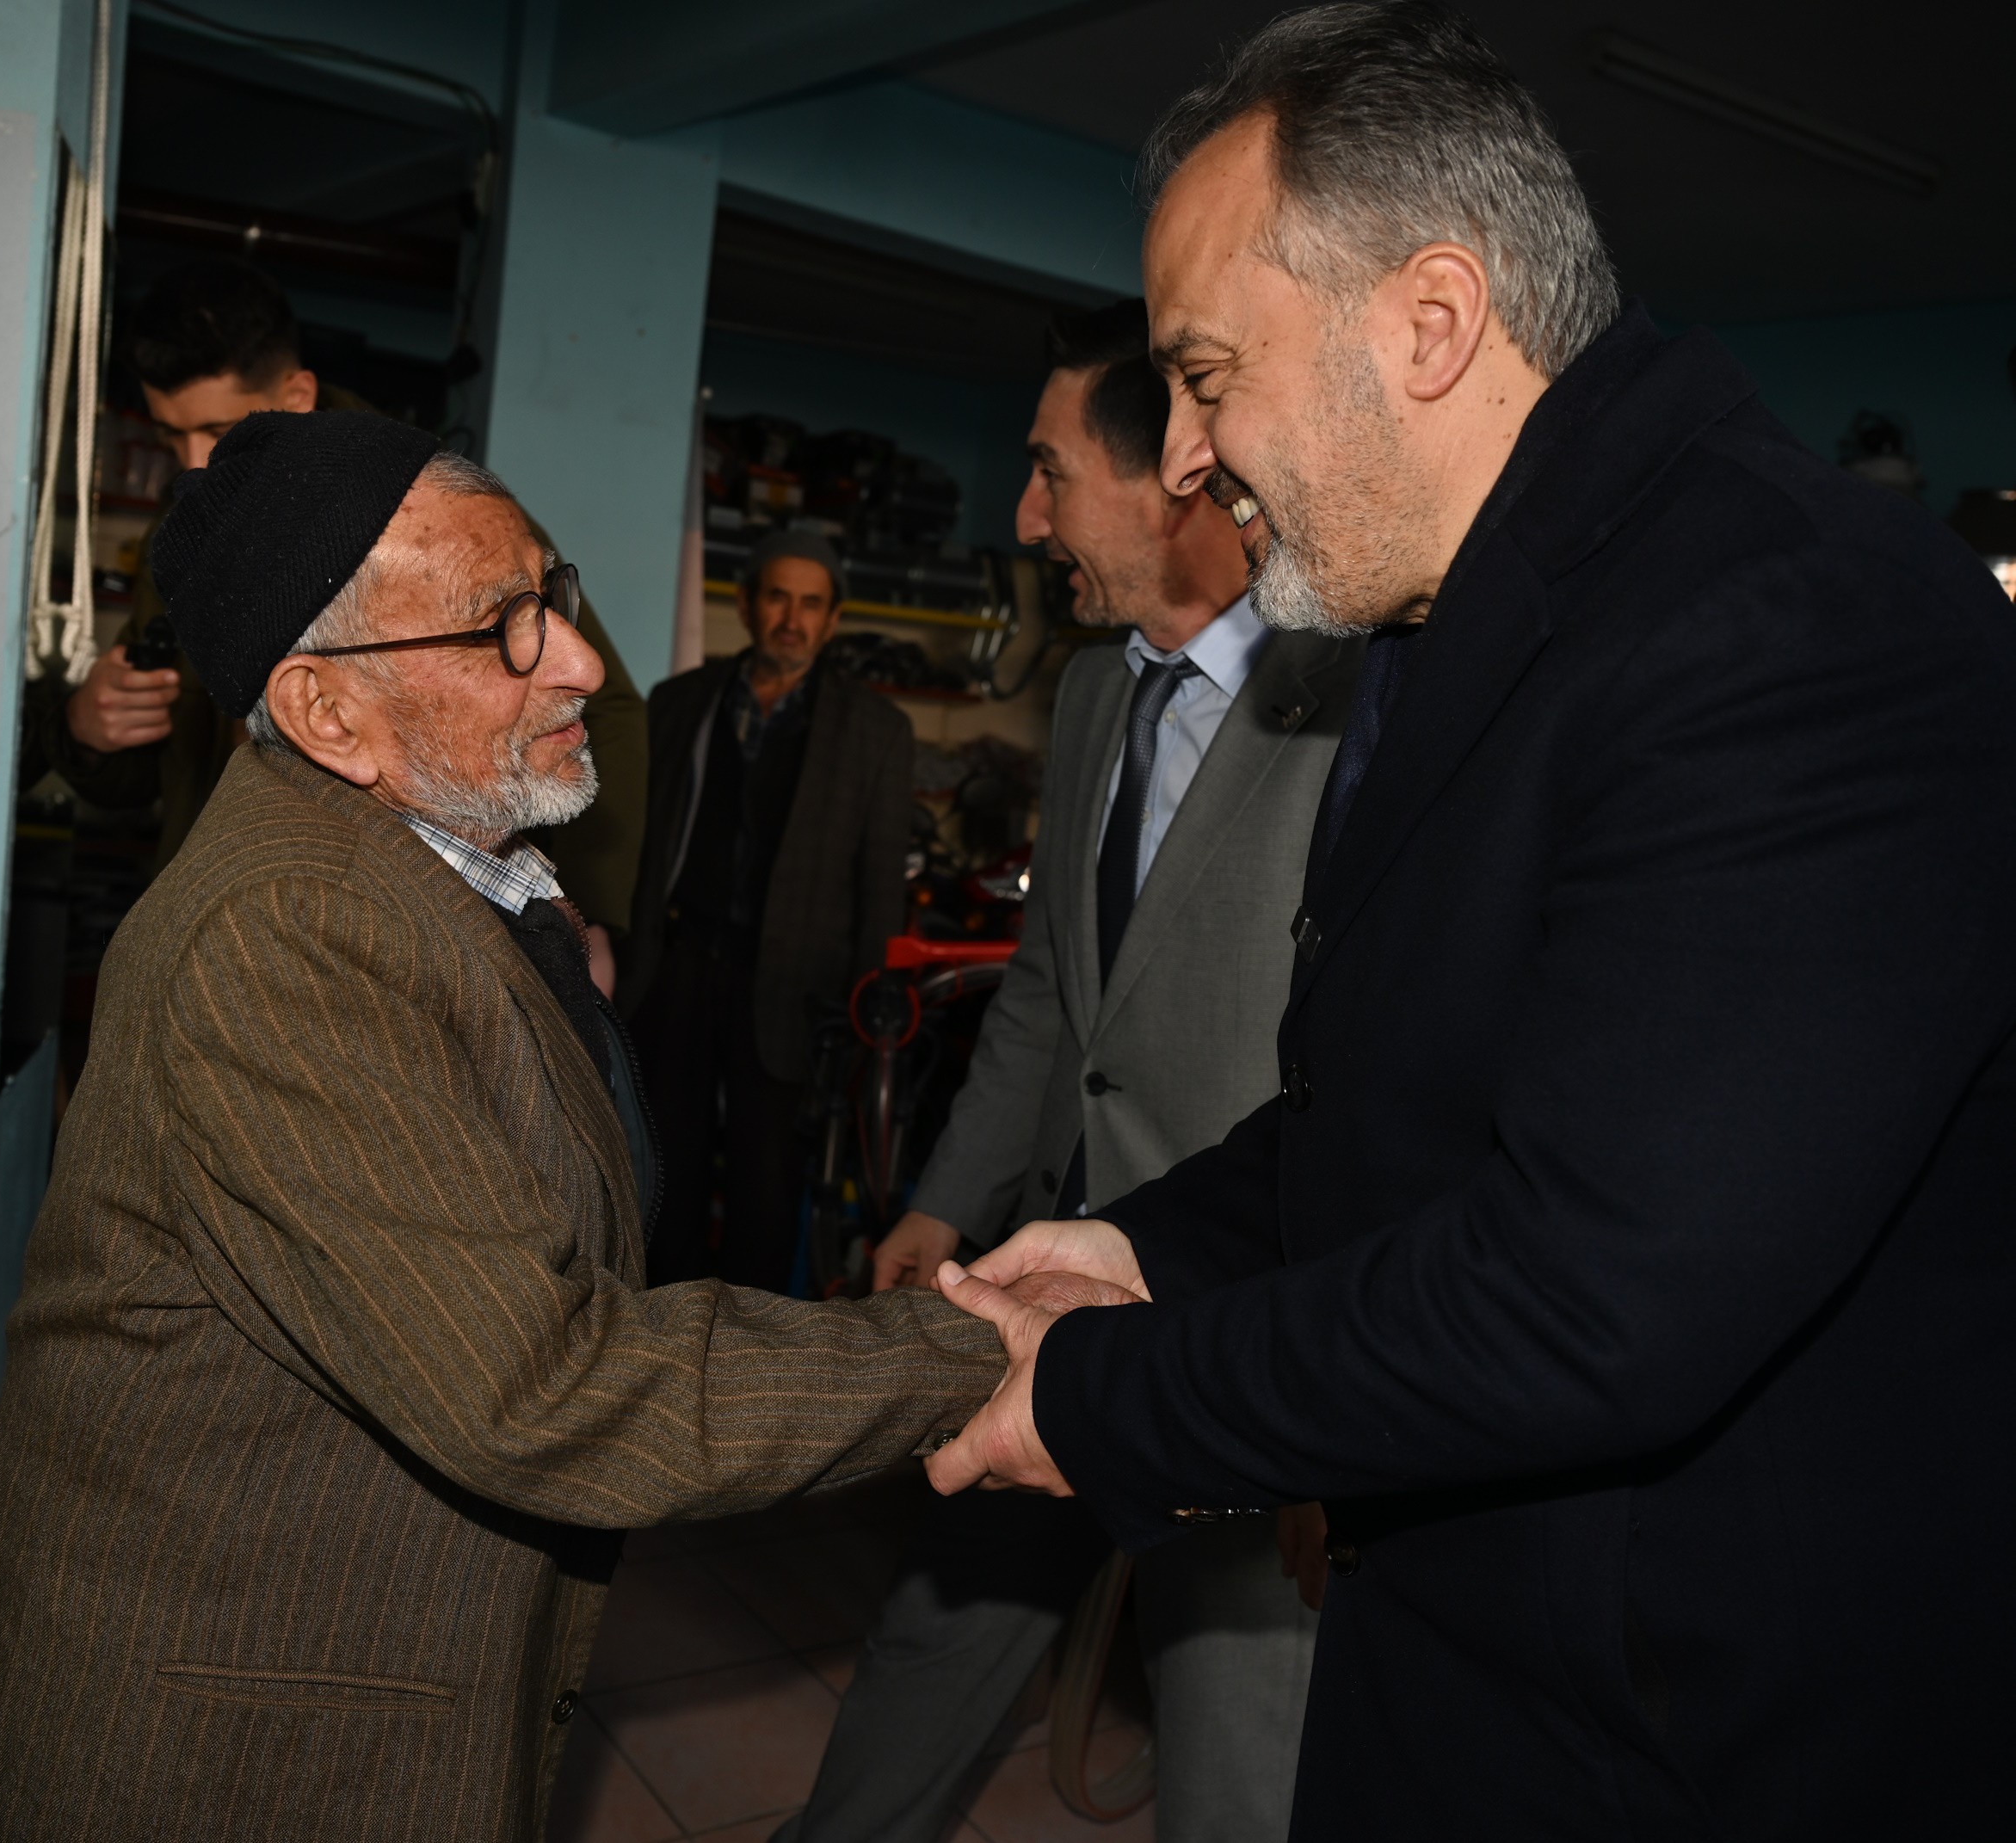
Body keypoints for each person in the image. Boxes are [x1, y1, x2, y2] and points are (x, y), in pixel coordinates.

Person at [932, 3, 2016, 1836]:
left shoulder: (1795, 630)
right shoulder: (1462, 622)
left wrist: (1108, 1395)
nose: (1185, 457)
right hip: (1475, 1670)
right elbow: (1406, 1111)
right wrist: (1145, 1251)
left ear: (1429, 323)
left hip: (1698, 1742)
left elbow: (1592, 1289)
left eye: (1208, 375)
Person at [0, 412, 1007, 1843]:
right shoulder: (286, 936)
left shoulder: (444, 861)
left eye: (553, 593)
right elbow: (542, 1383)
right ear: (328, 713)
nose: (577, 659)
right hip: (233, 1746)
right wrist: (980, 1350)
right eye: (502, 627)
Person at [780, 299, 1355, 1843]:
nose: (1026, 520)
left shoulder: (1353, 700)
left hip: (1233, 1321)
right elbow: (1050, 1001)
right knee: (932, 1639)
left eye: (1048, 474)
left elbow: (1373, 1064)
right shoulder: (1100, 691)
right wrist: (943, 1201)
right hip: (1045, 1295)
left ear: (1178, 475)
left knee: (1236, 1738)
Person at [23, 258, 650, 962]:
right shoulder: (192, 546)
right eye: (172, 436)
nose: (194, 462)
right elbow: (171, 765)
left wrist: (591, 917)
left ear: (298, 394)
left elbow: (602, 710)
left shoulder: (433, 515)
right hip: (232, 912)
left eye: (218, 428)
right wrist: (87, 732)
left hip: (417, 928)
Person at [621, 529, 912, 1291]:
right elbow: (637, 846)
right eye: (778, 598)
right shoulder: (679, 704)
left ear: (833, 618)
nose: (793, 618)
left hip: (794, 991)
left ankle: (752, 1354)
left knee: (767, 1198)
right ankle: (662, 1336)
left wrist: (866, 1017)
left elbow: (882, 888)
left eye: (811, 604)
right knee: (662, 1184)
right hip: (679, 975)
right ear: (747, 606)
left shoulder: (876, 733)